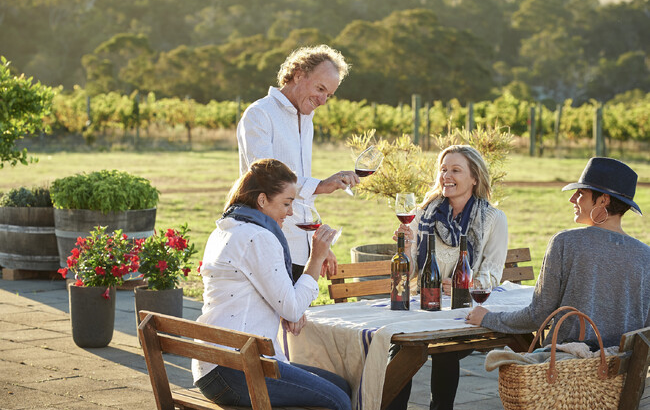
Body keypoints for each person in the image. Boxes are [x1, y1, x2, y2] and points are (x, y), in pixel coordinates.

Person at [192, 158, 352, 410]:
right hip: (235, 369)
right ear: (262, 200)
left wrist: (287, 309)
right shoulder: (257, 237)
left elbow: (273, 298)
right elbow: (292, 308)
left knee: (340, 386)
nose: (290, 212)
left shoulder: (228, 227)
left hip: (215, 364)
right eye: (287, 203)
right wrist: (316, 257)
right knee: (338, 400)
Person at [467, 157, 650, 350]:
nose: (572, 199)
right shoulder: (646, 255)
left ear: (603, 200)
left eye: (581, 193)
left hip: (567, 370)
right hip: (622, 372)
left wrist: (487, 317)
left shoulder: (565, 242)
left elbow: (538, 316)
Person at [388, 145, 508, 410]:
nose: (446, 176)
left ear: (474, 178)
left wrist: (463, 288)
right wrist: (406, 248)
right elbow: (408, 277)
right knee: (401, 348)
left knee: (445, 348)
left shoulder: (492, 219)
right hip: (425, 309)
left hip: (462, 312)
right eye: (443, 170)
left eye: (455, 170)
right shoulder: (423, 214)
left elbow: (492, 275)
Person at [237, 45, 359, 280]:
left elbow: (301, 200)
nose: (323, 100)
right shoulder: (259, 114)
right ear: (299, 75)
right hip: (267, 242)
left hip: (300, 250)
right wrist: (321, 184)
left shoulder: (306, 118)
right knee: (277, 317)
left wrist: (318, 247)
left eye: (329, 95)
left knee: (298, 316)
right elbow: (268, 179)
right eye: (320, 88)